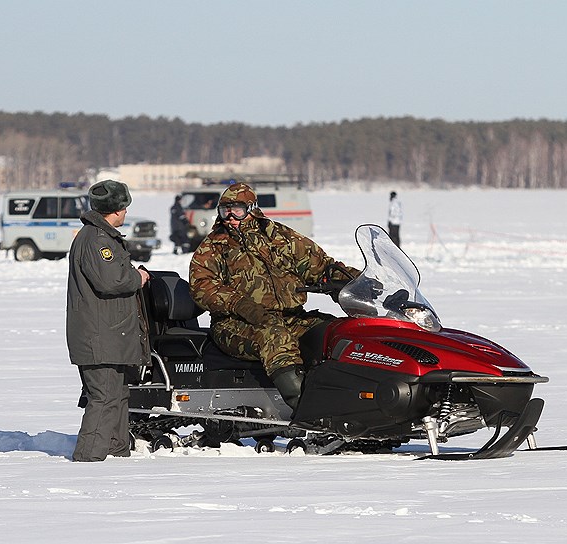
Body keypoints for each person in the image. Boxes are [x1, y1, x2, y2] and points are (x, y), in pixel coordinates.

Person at [189, 183, 359, 409]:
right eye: (225, 210)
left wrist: (356, 281)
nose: (230, 216)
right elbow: (202, 287)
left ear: (252, 208)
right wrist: (240, 305)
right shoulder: (214, 246)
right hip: (235, 324)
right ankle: (307, 410)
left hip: (290, 317)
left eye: (237, 210)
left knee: (334, 331)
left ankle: (353, 401)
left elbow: (319, 265)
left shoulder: (279, 236)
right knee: (274, 337)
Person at [66, 180, 151, 462]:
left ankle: (116, 448)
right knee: (103, 396)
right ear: (117, 209)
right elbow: (111, 280)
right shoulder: (98, 240)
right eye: (124, 206)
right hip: (100, 335)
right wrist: (137, 278)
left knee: (116, 394)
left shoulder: (99, 236)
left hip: (109, 334)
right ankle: (89, 457)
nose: (126, 212)